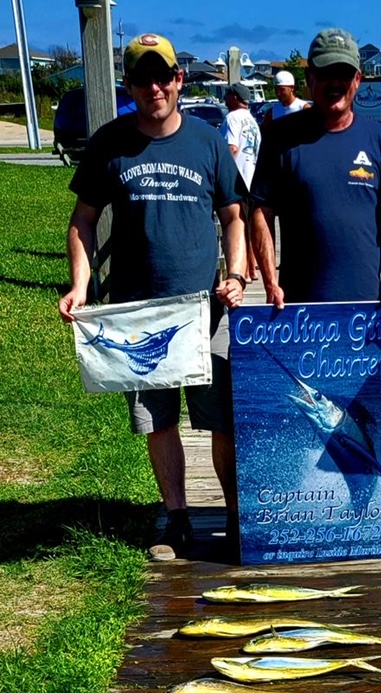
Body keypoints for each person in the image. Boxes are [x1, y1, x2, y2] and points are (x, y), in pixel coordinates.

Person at [58, 33, 247, 560]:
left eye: (163, 75)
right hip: (137, 314)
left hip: (206, 309)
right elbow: (84, 220)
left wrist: (236, 271)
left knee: (222, 419)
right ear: (130, 85)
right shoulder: (108, 142)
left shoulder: (208, 141)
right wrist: (81, 284)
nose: (155, 86)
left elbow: (234, 214)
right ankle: (178, 516)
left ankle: (235, 516)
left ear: (179, 79)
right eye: (142, 78)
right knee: (157, 421)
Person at [251, 27, 381, 305]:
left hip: (365, 309)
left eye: (344, 74)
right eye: (325, 74)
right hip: (296, 309)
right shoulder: (279, 137)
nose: (335, 83)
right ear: (309, 78)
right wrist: (269, 282)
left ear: (358, 79)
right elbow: (261, 212)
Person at [222, 82, 261, 280]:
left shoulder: (232, 118)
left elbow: (232, 148)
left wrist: (220, 174)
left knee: (237, 224)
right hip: (253, 177)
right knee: (250, 225)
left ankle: (244, 270)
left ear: (235, 98)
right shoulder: (252, 121)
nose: (225, 98)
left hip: (237, 179)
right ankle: (252, 268)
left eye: (228, 94)